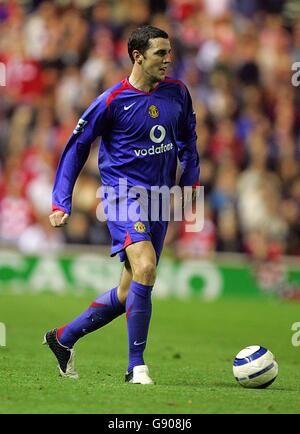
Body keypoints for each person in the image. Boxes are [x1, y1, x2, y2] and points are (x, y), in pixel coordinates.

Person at [43, 25, 200, 385]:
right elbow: (76, 147)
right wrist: (61, 200)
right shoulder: (112, 101)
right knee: (145, 266)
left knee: (130, 290)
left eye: (169, 52)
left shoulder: (178, 93)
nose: (168, 59)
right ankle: (136, 367)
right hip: (122, 196)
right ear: (137, 56)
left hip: (159, 200)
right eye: (160, 53)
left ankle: (62, 338)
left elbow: (189, 142)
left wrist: (190, 184)